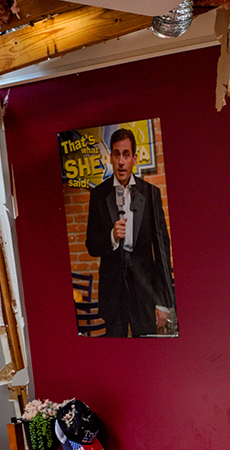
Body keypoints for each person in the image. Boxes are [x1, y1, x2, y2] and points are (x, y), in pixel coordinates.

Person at [85, 128, 176, 337]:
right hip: (113, 295)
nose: (121, 162)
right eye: (117, 154)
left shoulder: (151, 194)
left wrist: (163, 302)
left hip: (144, 294)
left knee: (147, 350)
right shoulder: (99, 195)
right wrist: (111, 236)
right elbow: (91, 245)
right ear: (111, 158)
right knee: (115, 351)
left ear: (134, 158)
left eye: (126, 155)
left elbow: (162, 251)